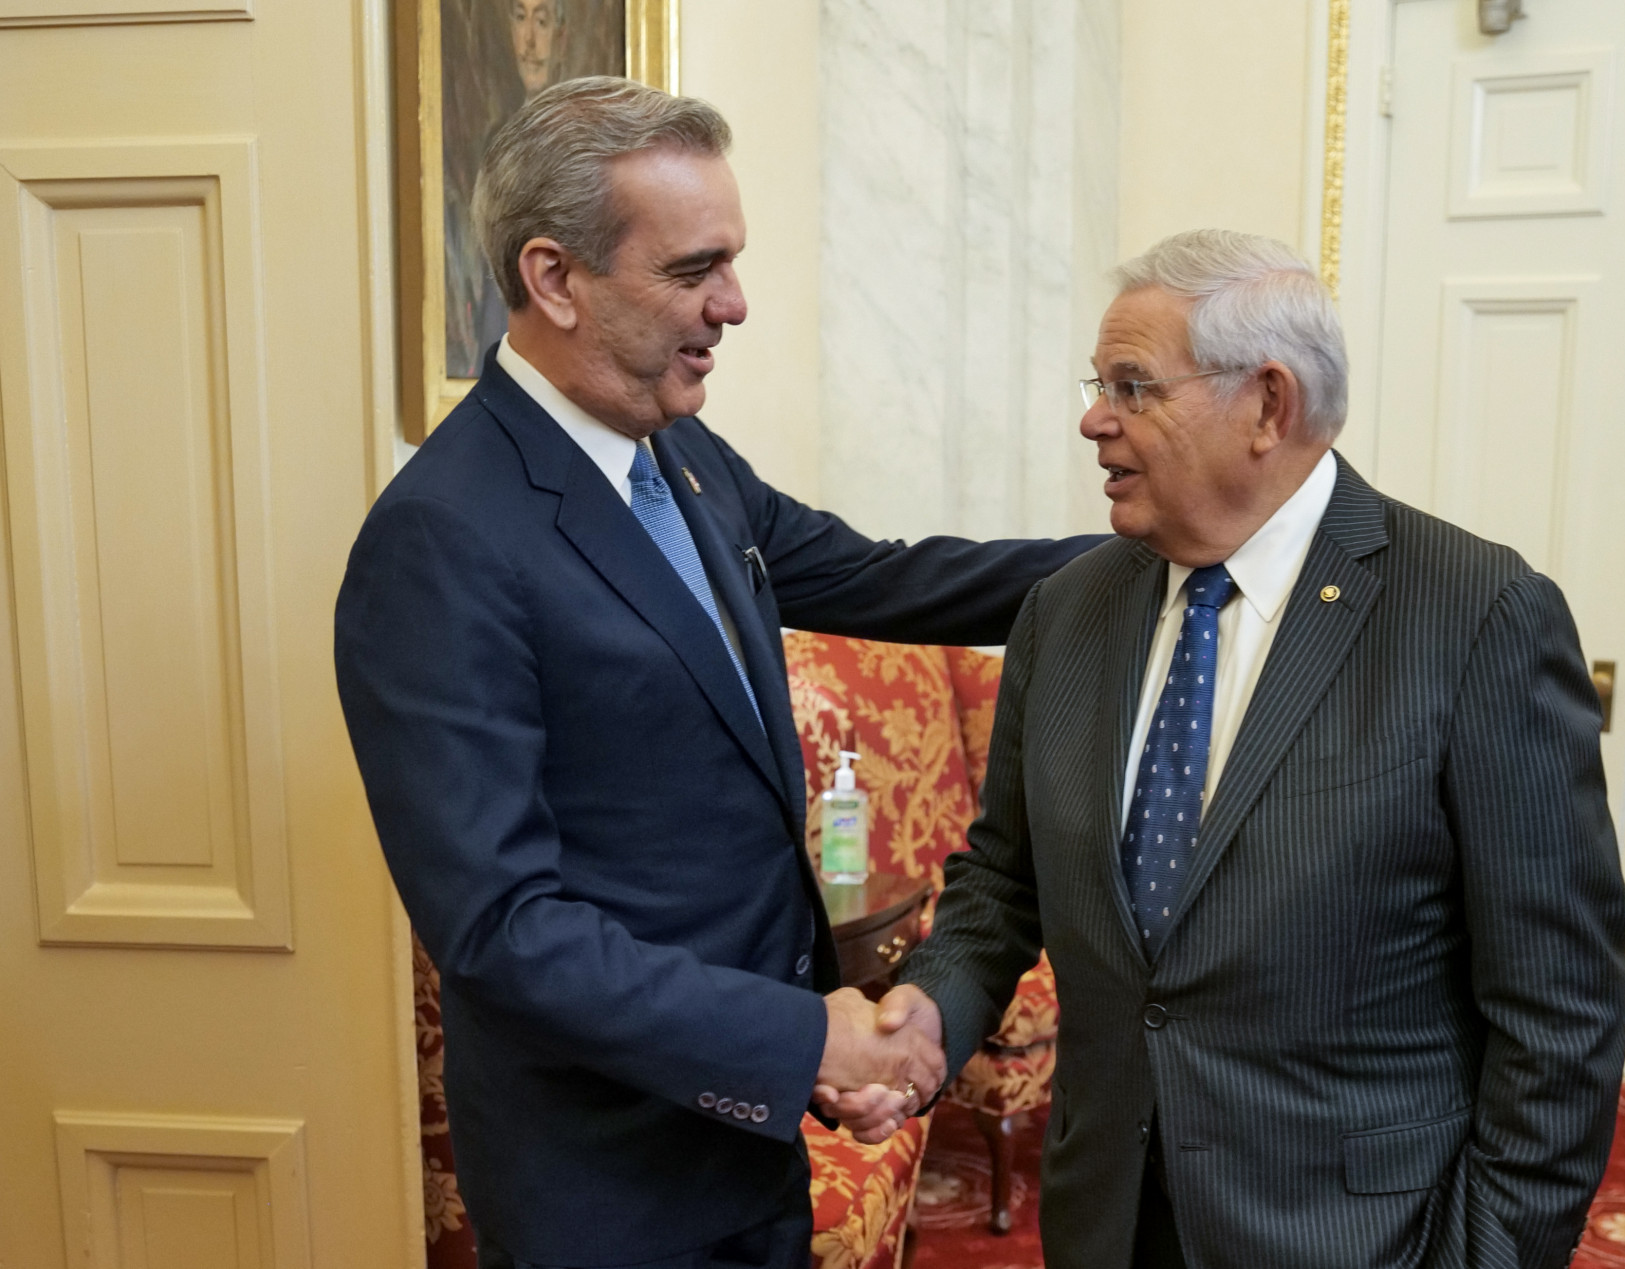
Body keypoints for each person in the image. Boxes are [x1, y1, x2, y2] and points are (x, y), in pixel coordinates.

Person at [334, 77, 1102, 1269]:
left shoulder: (678, 453)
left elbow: (885, 578)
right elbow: (502, 930)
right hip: (603, 1179)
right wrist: (799, 1041)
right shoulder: (441, 539)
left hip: (745, 1142)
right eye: (695, 270)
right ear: (554, 278)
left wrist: (1154, 548)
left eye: (730, 262)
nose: (734, 304)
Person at [882, 229, 1625, 1268]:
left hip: (1361, 1236)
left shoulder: (1476, 616)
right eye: (1100, 386)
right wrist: (931, 1012)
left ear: (1268, 405)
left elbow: (1560, 1011)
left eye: (1134, 387)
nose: (1094, 419)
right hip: (1108, 1216)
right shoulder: (1064, 613)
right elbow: (1004, 880)